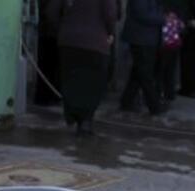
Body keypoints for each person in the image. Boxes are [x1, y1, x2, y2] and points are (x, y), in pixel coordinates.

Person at [47, 0, 118, 136]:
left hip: (69, 41)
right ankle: (85, 121)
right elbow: (110, 13)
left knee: (71, 81)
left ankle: (74, 116)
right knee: (93, 84)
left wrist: (63, 29)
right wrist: (110, 33)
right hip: (95, 42)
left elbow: (51, 11)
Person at [119, 0, 168, 115]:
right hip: (140, 38)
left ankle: (126, 101)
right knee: (145, 74)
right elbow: (142, 14)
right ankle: (154, 106)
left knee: (138, 72)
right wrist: (163, 19)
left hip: (147, 38)